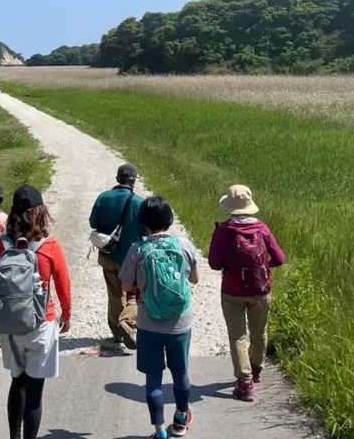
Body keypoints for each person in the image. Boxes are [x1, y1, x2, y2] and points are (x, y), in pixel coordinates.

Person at [0, 185, 71, 439]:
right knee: (35, 391)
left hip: (10, 327)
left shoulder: (2, 245)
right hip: (41, 323)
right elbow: (63, 283)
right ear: (40, 212)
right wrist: (67, 313)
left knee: (17, 382)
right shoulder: (50, 245)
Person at [120, 196, 199, 438]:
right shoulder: (183, 245)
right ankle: (181, 419)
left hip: (148, 324)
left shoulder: (138, 250)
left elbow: (125, 286)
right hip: (180, 323)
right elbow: (195, 279)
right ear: (169, 219)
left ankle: (159, 431)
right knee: (181, 374)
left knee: (153, 378)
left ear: (143, 222)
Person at [207, 184, 286, 402]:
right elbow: (279, 258)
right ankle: (256, 368)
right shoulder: (262, 228)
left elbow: (214, 263)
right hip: (261, 289)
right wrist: (261, 268)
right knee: (259, 331)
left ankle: (244, 382)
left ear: (230, 207)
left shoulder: (224, 230)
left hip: (232, 290)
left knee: (238, 336)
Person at [89, 163, 144, 350]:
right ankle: (128, 323)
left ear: (117, 179)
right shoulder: (138, 202)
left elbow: (93, 222)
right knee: (133, 295)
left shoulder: (103, 198)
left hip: (108, 255)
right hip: (132, 257)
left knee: (114, 294)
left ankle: (117, 334)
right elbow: (145, 230)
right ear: (133, 181)